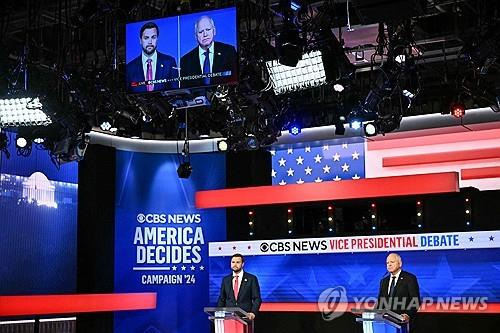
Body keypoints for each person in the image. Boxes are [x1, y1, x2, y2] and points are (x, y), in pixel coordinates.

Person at [180, 15, 237, 88]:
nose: (205, 34)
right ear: (195, 36)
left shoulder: (228, 51)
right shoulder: (185, 60)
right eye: (201, 32)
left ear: (214, 31)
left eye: (208, 29)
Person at [126, 22, 178, 92]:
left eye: (153, 37)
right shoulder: (130, 68)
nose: (150, 42)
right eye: (146, 38)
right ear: (140, 40)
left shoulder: (169, 62)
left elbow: (175, 91)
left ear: (157, 39)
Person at [377, 253, 420, 331]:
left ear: (400, 264)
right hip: (386, 324)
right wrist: (375, 314)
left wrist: (407, 315)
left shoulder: (409, 278)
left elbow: (415, 301)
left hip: (403, 323)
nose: (389, 264)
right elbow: (381, 301)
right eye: (387, 263)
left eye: (392, 262)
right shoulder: (384, 281)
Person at [217, 253, 262, 321]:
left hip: (245, 317)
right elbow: (222, 298)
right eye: (233, 262)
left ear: (242, 264)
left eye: (238, 262)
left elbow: (257, 298)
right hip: (229, 318)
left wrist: (253, 313)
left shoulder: (251, 278)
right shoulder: (226, 280)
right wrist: (219, 313)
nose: (235, 264)